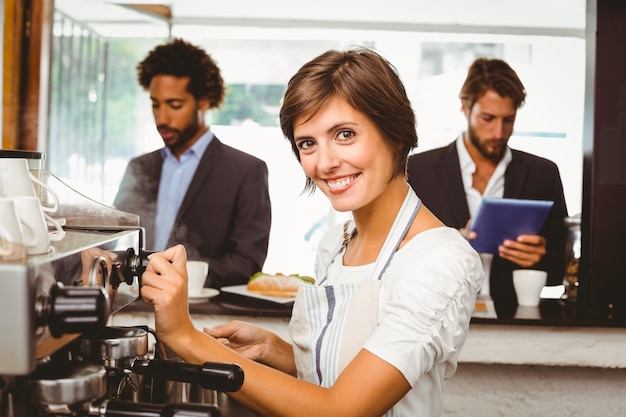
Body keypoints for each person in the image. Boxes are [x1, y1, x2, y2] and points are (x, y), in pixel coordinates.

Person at [140, 48, 483, 417]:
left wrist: (183, 336)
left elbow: (340, 409)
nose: (325, 162)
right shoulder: (335, 244)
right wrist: (277, 351)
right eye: (308, 143)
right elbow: (346, 374)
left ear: (396, 133)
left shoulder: (439, 260)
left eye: (345, 134)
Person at [407, 58, 568, 317]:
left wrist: (539, 258)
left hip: (514, 321)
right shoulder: (417, 171)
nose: (498, 132)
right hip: (433, 318)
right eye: (488, 118)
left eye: (508, 120)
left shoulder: (543, 174)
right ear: (465, 107)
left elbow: (563, 269)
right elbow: (392, 255)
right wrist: (448, 243)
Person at [113, 38, 271, 289]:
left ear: (203, 101)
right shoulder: (139, 167)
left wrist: (175, 275)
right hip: (134, 305)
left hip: (201, 315)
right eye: (156, 104)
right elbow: (115, 240)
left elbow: (247, 263)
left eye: (175, 105)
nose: (162, 118)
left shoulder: (245, 171)